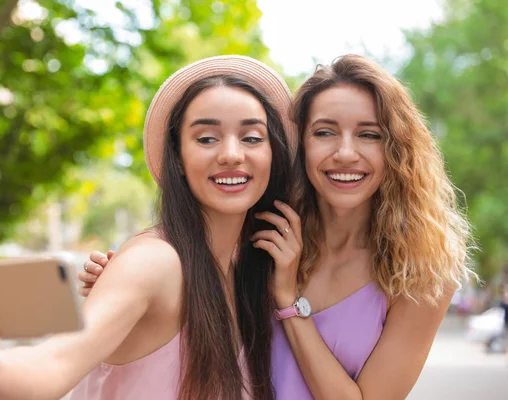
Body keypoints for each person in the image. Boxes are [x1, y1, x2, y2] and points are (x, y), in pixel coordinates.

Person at [80, 54, 475, 399]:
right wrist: (123, 287)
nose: (345, 153)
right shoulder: (259, 237)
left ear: (397, 151)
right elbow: (176, 304)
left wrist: (288, 304)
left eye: (369, 135)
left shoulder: (423, 273)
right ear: (297, 144)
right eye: (324, 132)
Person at [0, 55, 298, 400]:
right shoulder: (155, 262)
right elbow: (56, 361)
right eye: (206, 138)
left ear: (272, 154)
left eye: (251, 137)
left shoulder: (251, 273)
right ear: (178, 158)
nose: (231, 154)